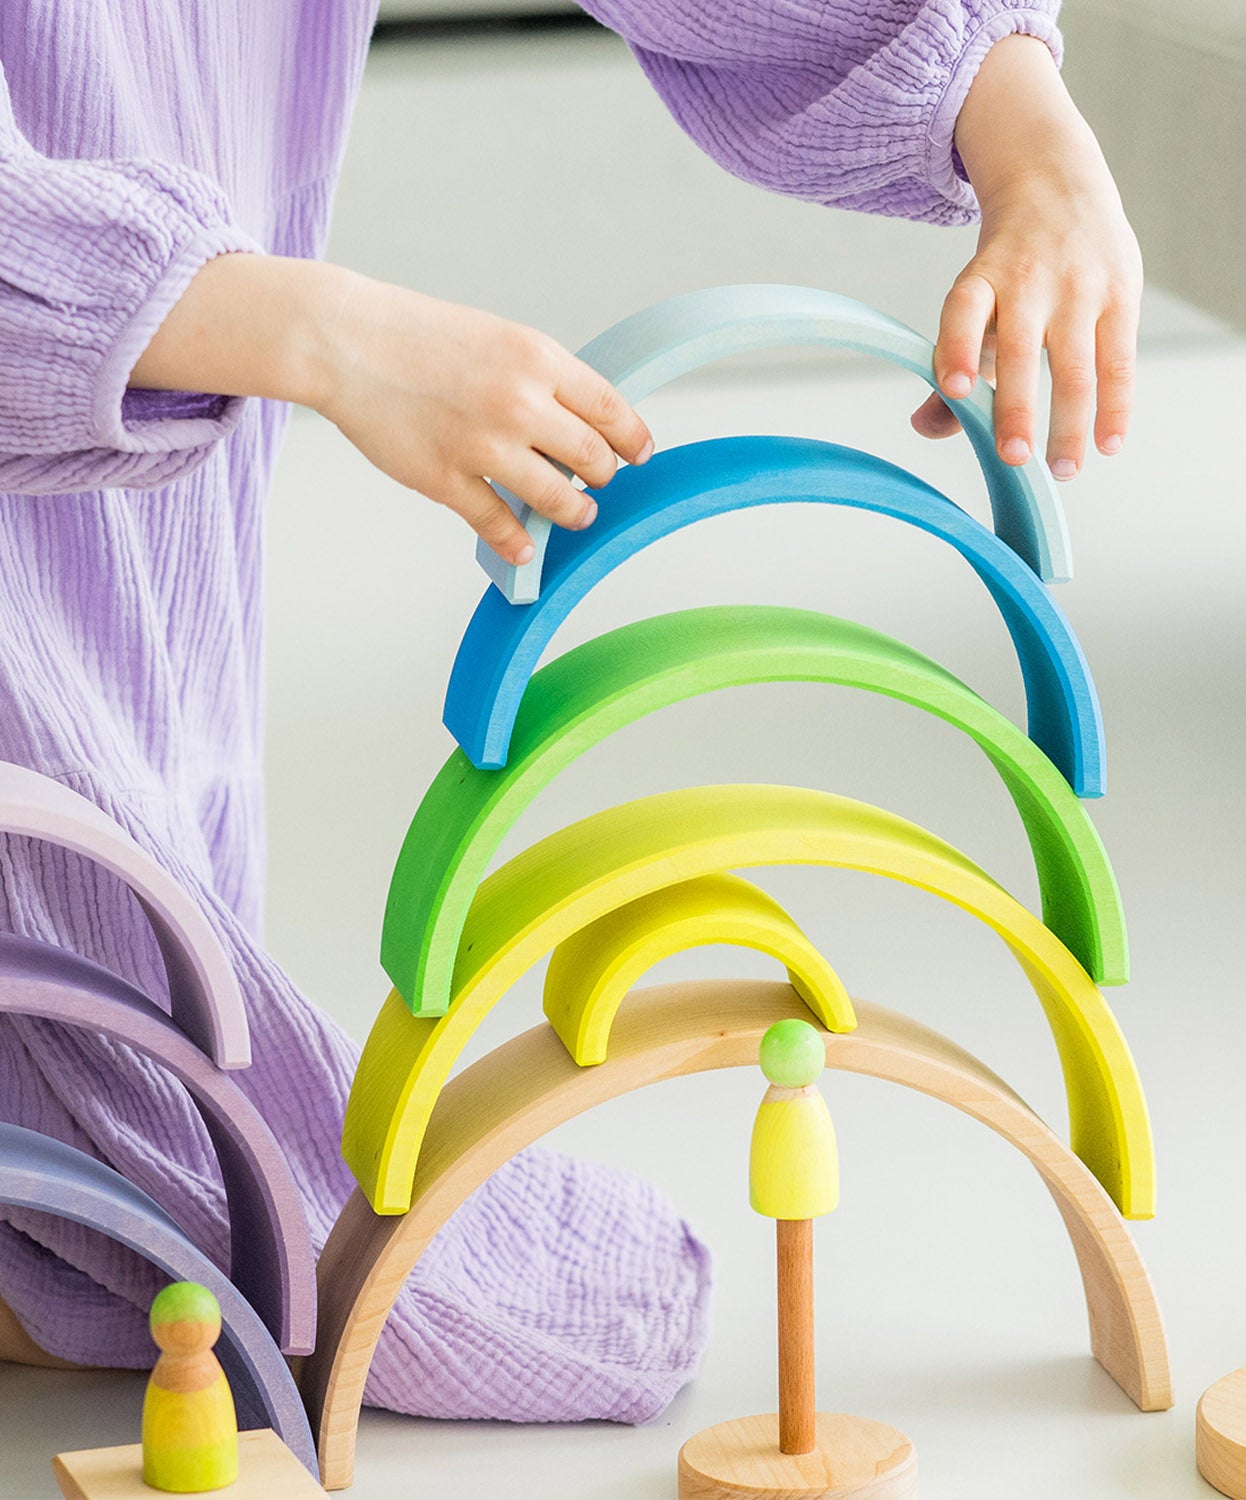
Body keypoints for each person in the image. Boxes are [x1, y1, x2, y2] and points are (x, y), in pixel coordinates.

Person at [0, 1, 1140, 1425]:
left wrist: (1033, 143)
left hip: (130, 634)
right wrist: (329, 335)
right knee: (489, 1298)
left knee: (194, 1160)